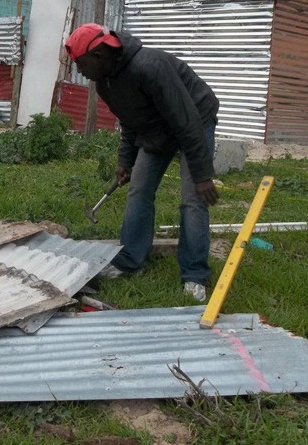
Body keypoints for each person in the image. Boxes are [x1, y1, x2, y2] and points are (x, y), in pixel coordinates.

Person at [65, 23, 219, 302]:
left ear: (98, 56)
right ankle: (129, 260)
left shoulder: (149, 66)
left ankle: (194, 275)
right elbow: (130, 120)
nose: (79, 72)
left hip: (195, 119)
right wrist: (126, 160)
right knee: (139, 189)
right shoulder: (105, 82)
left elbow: (187, 122)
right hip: (157, 129)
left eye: (80, 64)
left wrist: (202, 174)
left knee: (193, 199)